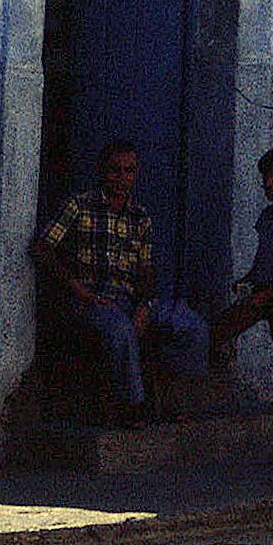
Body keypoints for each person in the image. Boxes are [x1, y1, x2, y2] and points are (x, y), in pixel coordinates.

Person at [33, 140, 209, 426]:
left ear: (136, 173)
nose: (121, 178)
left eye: (128, 171)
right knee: (119, 329)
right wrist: (77, 287)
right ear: (102, 171)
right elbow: (41, 248)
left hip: (129, 299)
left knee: (190, 326)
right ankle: (133, 406)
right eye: (114, 171)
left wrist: (144, 305)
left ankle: (172, 399)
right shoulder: (79, 206)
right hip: (90, 300)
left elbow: (146, 269)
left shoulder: (140, 217)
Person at [210, 145, 273, 466]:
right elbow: (263, 259)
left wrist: (268, 294)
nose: (269, 183)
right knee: (217, 332)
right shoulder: (268, 216)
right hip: (263, 293)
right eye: (266, 177)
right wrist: (248, 279)